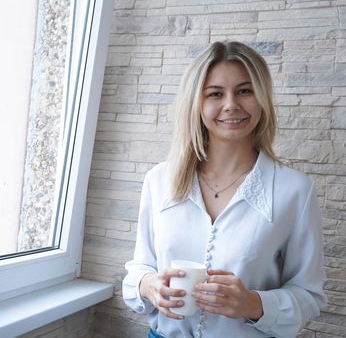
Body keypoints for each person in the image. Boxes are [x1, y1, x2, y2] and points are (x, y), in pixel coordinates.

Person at [122, 41, 327, 338]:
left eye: (244, 91)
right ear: (196, 103)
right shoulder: (158, 180)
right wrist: (148, 285)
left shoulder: (295, 191)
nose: (231, 104)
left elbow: (309, 296)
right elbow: (139, 267)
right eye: (215, 93)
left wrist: (254, 304)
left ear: (262, 98)